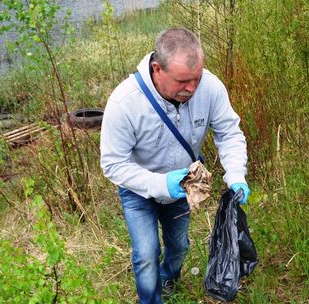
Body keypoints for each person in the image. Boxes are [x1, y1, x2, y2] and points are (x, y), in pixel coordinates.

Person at [100, 27, 250, 304]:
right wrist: (160, 184)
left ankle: (168, 279)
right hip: (138, 190)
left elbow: (229, 133)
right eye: (183, 80)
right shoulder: (125, 102)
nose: (192, 88)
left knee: (179, 246)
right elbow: (113, 164)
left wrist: (236, 173)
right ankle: (150, 299)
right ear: (157, 69)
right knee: (146, 254)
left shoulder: (210, 88)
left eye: (197, 78)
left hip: (184, 185)